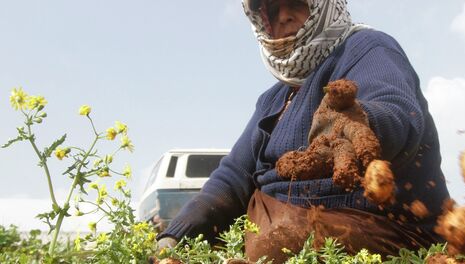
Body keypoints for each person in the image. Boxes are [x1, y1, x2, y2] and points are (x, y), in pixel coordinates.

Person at [157, 0, 450, 262]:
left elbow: (397, 109)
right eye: (271, 9)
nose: (283, 16)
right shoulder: (273, 99)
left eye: (296, 3)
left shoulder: (369, 48)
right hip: (281, 239)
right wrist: (175, 237)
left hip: (379, 231)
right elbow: (233, 177)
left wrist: (360, 124)